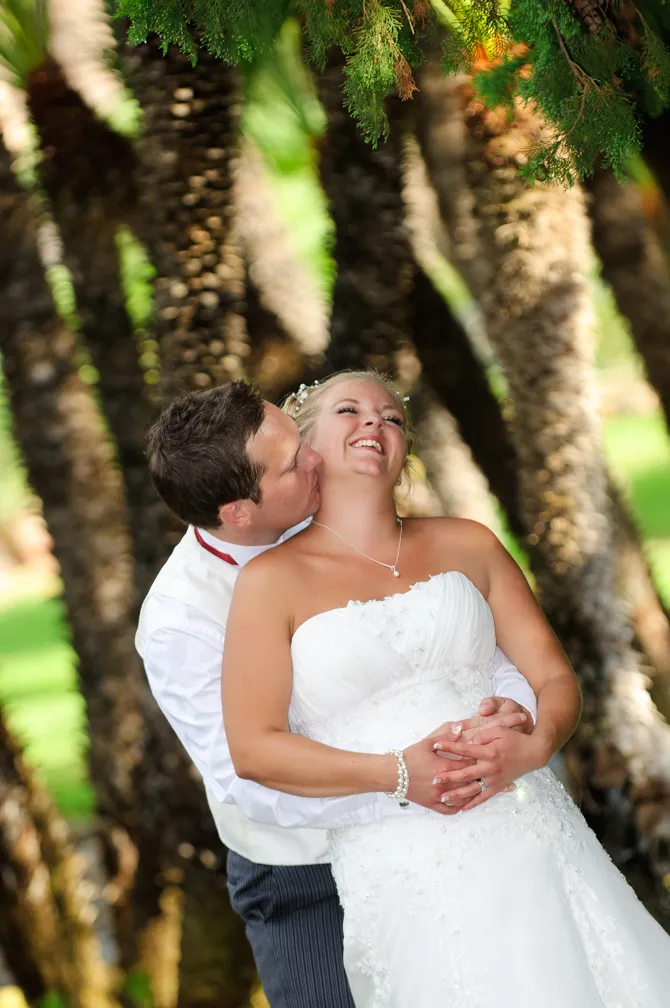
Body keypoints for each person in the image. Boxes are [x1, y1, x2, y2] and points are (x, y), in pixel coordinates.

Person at [222, 369, 670, 1007]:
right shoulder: (268, 583)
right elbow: (254, 749)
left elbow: (552, 678)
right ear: (306, 447)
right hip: (399, 857)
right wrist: (400, 772)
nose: (376, 422)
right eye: (349, 409)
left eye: (392, 416)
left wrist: (538, 742)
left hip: (525, 822)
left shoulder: (468, 543)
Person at [136, 379, 538, 1008]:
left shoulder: (347, 520)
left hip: (462, 829)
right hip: (307, 877)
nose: (316, 457)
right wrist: (406, 781)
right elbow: (250, 779)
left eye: (299, 438)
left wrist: (506, 721)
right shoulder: (180, 621)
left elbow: (463, 646)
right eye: (294, 463)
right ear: (240, 511)